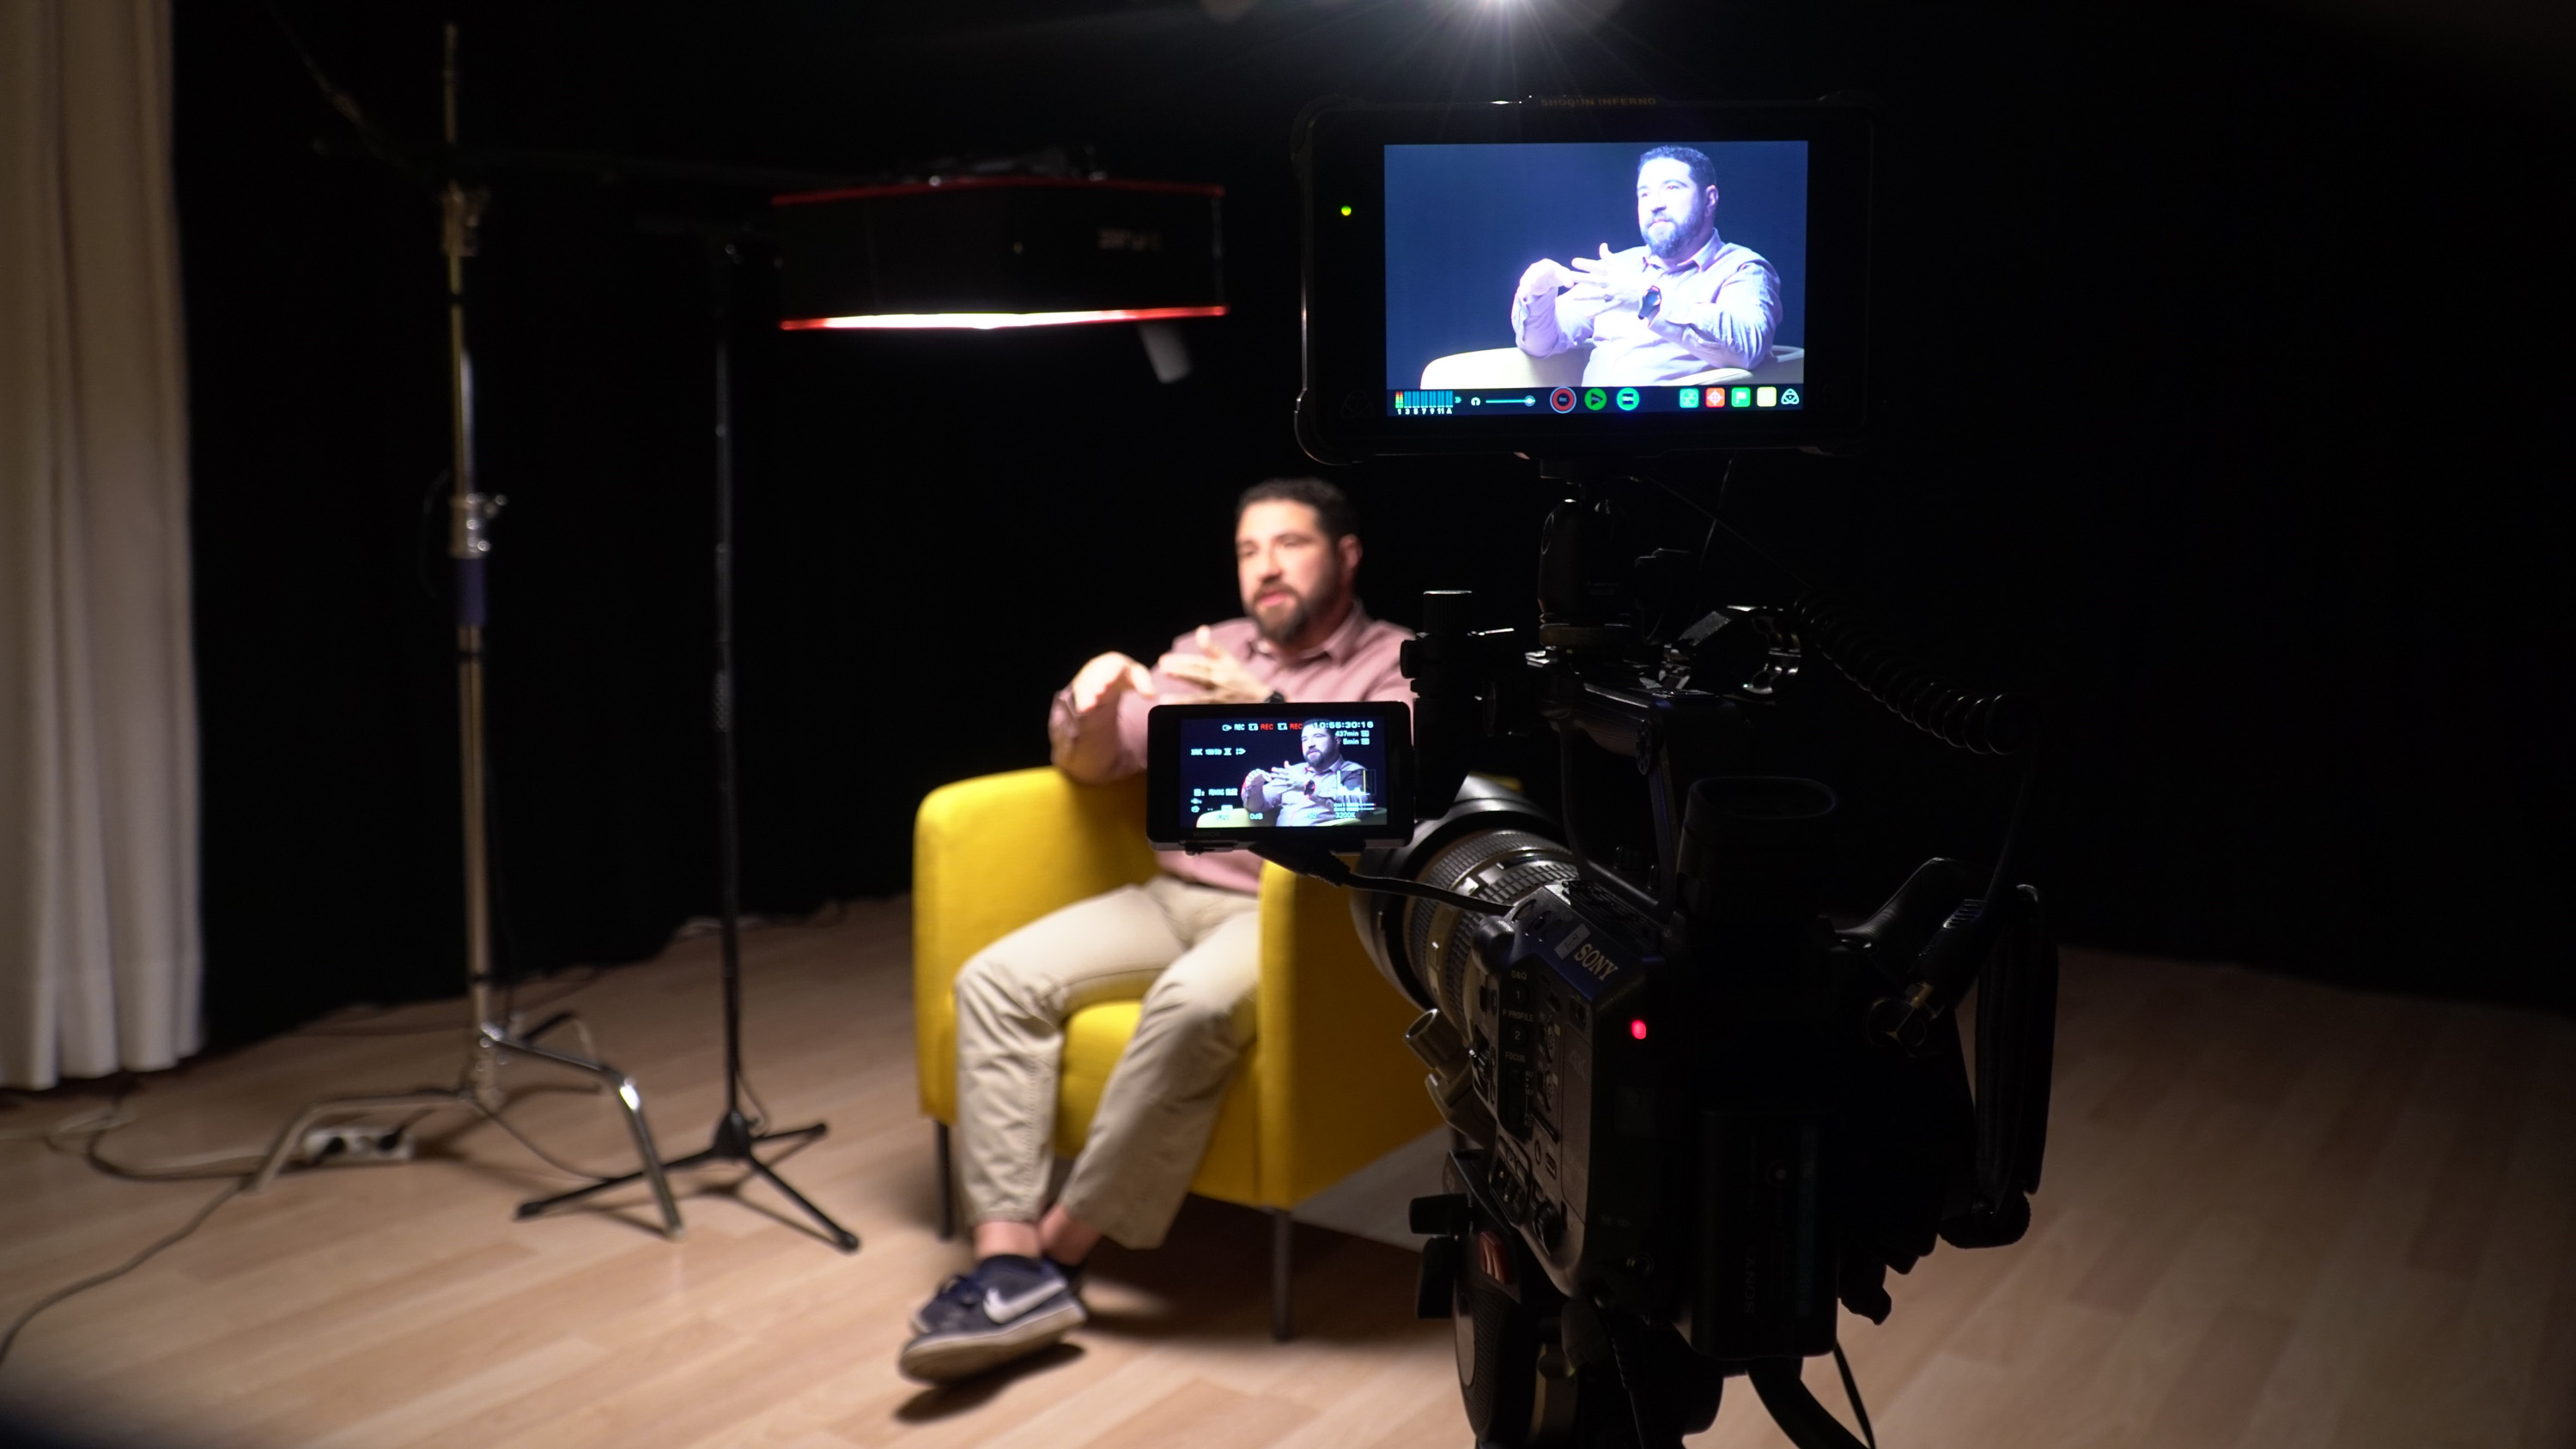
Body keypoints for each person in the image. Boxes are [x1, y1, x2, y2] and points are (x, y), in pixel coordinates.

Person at [899, 476, 1413, 1383]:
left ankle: (1053, 1255)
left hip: (1297, 916)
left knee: (1186, 1005)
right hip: (1173, 892)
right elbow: (1092, 762)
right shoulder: (1202, 648)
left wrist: (1266, 710)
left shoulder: (1394, 663)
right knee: (995, 977)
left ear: (1345, 555)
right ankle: (1007, 1249)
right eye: (1250, 550)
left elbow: (1378, 796)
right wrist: (1090, 697)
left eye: (1289, 544)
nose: (1267, 568)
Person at [1509, 145, 1783, 386]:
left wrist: (1646, 300)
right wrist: (1536, 296)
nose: (1655, 204)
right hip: (1590, 428)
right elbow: (1540, 345)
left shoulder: (1744, 268)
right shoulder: (1619, 267)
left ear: (1709, 199)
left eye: (1672, 188)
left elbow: (1749, 347)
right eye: (1644, 194)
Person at [1242, 721, 1370, 826]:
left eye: (1318, 737)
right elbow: (1256, 807)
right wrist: (1254, 787)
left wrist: (1308, 786)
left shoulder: (1353, 771)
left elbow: (1358, 809)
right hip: (1278, 847)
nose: (1310, 744)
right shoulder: (1294, 771)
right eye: (1305, 739)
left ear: (1337, 741)